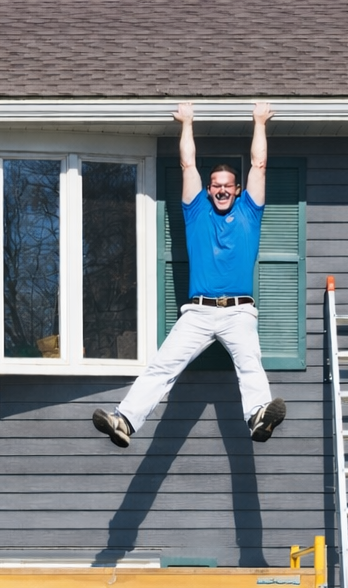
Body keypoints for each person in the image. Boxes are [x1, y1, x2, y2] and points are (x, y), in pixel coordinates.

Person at [93, 101, 286, 448]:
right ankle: (125, 420)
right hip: (197, 312)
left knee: (250, 364)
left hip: (239, 311)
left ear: (238, 189)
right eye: (216, 185)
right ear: (209, 189)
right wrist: (187, 123)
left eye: (228, 184)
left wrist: (259, 122)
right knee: (162, 365)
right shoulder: (196, 212)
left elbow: (259, 163)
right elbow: (188, 164)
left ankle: (259, 416)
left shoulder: (249, 212)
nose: (222, 190)